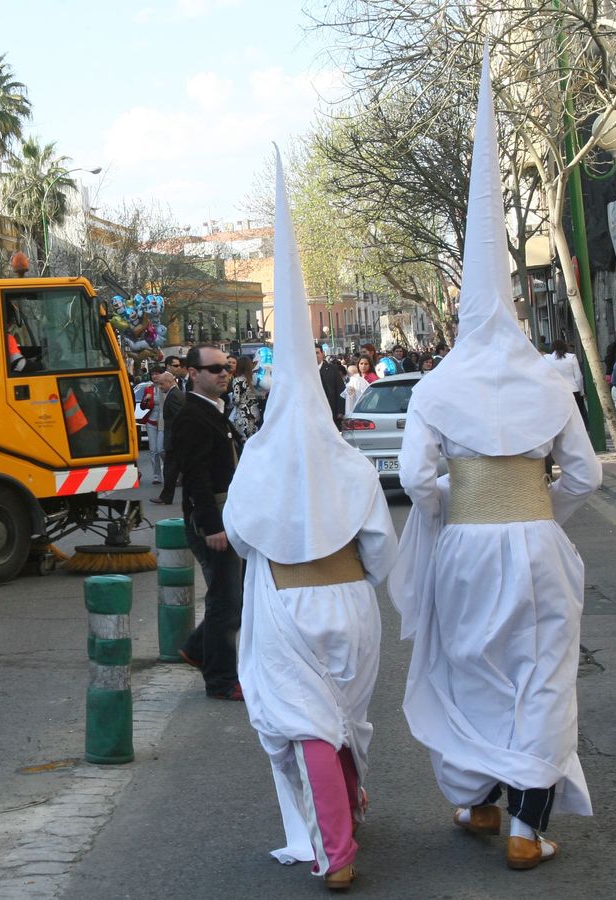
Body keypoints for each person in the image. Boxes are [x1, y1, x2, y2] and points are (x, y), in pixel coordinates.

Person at [389, 60, 602, 872]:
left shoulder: (439, 386)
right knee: (540, 674)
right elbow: (580, 476)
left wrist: (460, 502)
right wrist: (535, 509)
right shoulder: (549, 381)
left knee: (470, 666)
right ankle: (526, 824)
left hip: (467, 548)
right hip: (537, 546)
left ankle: (476, 800)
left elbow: (414, 482)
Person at [224, 156, 398, 889]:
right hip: (350, 603)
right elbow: (380, 547)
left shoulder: (257, 465)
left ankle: (337, 851)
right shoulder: (353, 466)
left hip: (288, 605)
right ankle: (349, 813)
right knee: (345, 718)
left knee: (307, 726)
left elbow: (239, 536)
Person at [171, 344, 244, 700]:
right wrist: (212, 526)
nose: (223, 373)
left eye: (226, 367)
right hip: (213, 522)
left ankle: (198, 648)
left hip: (228, 517)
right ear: (193, 373)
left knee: (232, 598)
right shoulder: (193, 415)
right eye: (214, 369)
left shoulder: (214, 410)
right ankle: (221, 680)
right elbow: (196, 477)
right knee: (226, 602)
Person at [150, 362, 187, 505]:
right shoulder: (174, 394)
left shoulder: (173, 396)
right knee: (172, 469)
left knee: (171, 469)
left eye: (161, 385)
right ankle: (166, 496)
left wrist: (176, 437)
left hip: (174, 439)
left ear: (168, 382)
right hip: (174, 438)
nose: (160, 387)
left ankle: (167, 496)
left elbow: (179, 417)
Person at [135, 366, 165, 484]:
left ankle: (170, 470)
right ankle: (156, 476)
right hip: (151, 421)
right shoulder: (148, 389)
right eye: (152, 374)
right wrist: (145, 400)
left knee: (161, 449)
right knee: (153, 450)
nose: (154, 376)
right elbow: (143, 407)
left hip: (163, 422)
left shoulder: (165, 387)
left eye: (157, 374)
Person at [545, 338, 587, 423]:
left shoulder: (547, 359)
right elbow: (578, 377)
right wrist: (581, 392)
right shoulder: (572, 357)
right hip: (573, 390)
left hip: (555, 392)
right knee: (577, 418)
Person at [228, 354, 261, 440]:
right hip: (255, 415)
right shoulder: (253, 380)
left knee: (242, 443)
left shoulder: (237, 380)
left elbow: (236, 400)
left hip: (243, 416)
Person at [316, 346, 347, 427]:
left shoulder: (333, 369)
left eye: (317, 353)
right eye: (313, 353)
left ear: (322, 354)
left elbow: (340, 389)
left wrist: (340, 411)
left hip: (331, 411)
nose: (315, 355)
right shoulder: (306, 371)